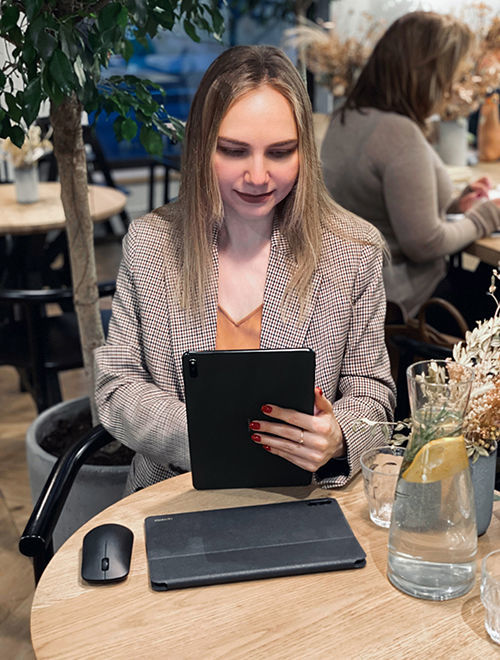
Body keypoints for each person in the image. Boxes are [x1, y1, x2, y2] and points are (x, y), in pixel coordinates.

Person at [94, 45, 395, 494]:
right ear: (201, 148)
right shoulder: (151, 244)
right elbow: (116, 386)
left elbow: (372, 392)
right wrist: (210, 436)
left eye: (280, 152)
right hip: (172, 493)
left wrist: (338, 437)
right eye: (234, 151)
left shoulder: (352, 250)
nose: (257, 176)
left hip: (302, 496)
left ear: (304, 152)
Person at [321, 11, 500, 329]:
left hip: (363, 292)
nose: (451, 87)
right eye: (449, 75)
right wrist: (486, 217)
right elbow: (425, 243)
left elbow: (386, 206)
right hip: (409, 303)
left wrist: (455, 204)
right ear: (428, 74)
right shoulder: (398, 134)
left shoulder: (347, 117)